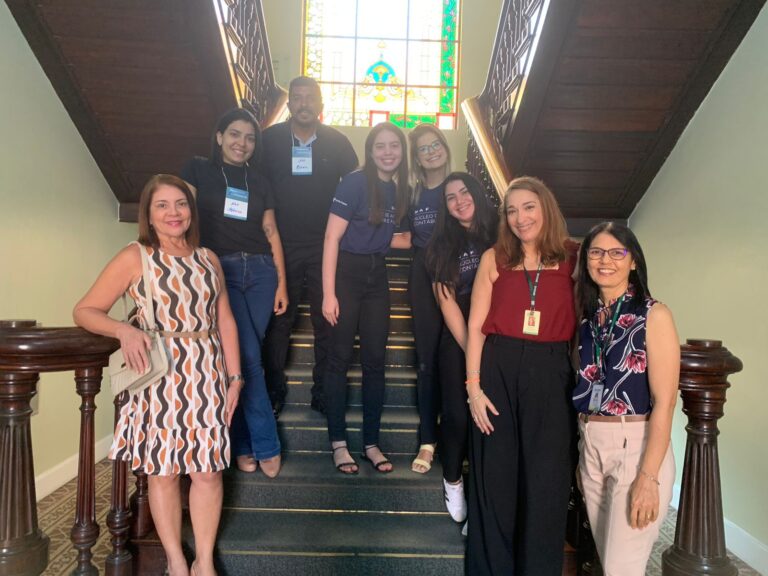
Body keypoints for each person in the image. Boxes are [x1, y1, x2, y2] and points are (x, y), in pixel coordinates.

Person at [73, 174, 240, 576]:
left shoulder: (208, 258)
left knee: (208, 471)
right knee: (163, 473)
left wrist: (235, 378)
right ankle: (177, 562)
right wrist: (125, 329)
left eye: (180, 203)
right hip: (158, 373)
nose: (173, 213)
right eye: (162, 205)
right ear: (148, 213)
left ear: (191, 210)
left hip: (206, 373)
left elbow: (225, 320)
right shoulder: (136, 256)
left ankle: (204, 560)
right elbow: (85, 310)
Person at [465, 176, 577, 574]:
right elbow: (477, 327)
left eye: (528, 206)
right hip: (497, 369)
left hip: (551, 373)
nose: (520, 217)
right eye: (511, 210)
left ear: (546, 207)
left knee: (546, 481)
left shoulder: (573, 258)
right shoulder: (494, 258)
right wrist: (474, 389)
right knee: (495, 481)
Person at [181, 108, 285, 477]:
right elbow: (184, 220)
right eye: (235, 135)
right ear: (220, 136)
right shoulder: (197, 170)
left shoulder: (260, 179)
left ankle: (240, 443)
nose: (243, 143)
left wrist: (282, 282)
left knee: (238, 357)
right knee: (248, 357)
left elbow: (271, 231)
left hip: (260, 272)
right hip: (218, 268)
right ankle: (264, 444)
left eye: (250, 137)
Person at [573, 222, 678, 576]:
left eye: (617, 252)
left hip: (635, 447)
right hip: (591, 446)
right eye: (596, 252)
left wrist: (648, 478)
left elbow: (665, 402)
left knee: (621, 569)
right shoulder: (588, 320)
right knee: (613, 564)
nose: (606, 260)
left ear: (633, 260)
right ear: (586, 259)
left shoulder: (654, 314)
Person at [261, 76, 359, 415]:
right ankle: (273, 391)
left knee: (326, 320)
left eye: (310, 98)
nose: (304, 104)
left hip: (324, 246)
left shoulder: (337, 142)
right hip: (280, 245)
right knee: (279, 321)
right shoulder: (268, 140)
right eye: (297, 98)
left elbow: (355, 187)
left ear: (320, 105)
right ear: (289, 105)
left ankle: (324, 392)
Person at [321, 122, 410, 474]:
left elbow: (386, 235)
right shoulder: (355, 182)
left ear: (401, 153)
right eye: (380, 146)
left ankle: (371, 442)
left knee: (375, 360)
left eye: (394, 146)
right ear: (371, 152)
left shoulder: (400, 187)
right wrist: (329, 294)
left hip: (377, 275)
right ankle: (339, 444)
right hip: (346, 274)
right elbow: (332, 238)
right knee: (339, 359)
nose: (388, 152)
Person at [425, 172, 497, 522]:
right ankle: (452, 478)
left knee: (492, 417)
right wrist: (472, 350)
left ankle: (484, 496)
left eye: (464, 192)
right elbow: (446, 300)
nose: (459, 201)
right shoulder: (441, 244)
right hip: (458, 335)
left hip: (499, 329)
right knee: (457, 413)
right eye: (450, 197)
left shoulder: (501, 231)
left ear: (477, 194)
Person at [405, 124, 452, 474]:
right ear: (417, 159)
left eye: (436, 144)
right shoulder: (414, 194)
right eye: (424, 148)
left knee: (457, 357)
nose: (432, 151)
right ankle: (427, 439)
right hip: (422, 278)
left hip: (457, 278)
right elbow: (405, 237)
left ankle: (456, 433)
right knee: (427, 360)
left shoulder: (460, 188)